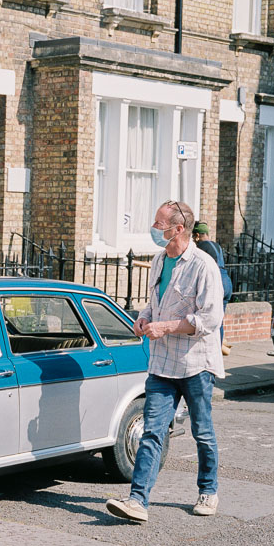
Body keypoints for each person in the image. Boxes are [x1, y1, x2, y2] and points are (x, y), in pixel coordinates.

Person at [106, 200, 224, 523]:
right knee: (152, 432)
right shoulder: (159, 260)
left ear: (179, 229)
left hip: (195, 365)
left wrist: (166, 327)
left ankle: (208, 490)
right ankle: (137, 501)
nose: (155, 230)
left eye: (160, 225)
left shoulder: (204, 267)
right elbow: (154, 304)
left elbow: (209, 320)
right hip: (162, 365)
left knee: (202, 431)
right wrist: (143, 319)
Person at [192, 222, 233, 355]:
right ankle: (218, 350)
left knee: (211, 319)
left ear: (197, 235)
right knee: (218, 319)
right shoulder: (217, 246)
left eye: (193, 237)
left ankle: (213, 352)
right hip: (226, 280)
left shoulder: (200, 248)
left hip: (216, 282)